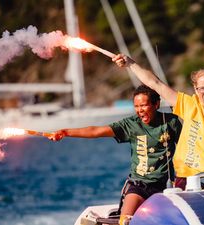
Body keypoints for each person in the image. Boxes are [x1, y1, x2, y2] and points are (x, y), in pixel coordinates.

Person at [112, 54, 204, 190]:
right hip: (185, 179)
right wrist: (130, 63)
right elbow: (155, 83)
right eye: (202, 88)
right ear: (196, 90)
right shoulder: (189, 105)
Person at [48, 85, 182, 225]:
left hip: (165, 187)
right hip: (139, 186)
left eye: (143, 105)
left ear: (156, 104)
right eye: (136, 106)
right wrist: (65, 132)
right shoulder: (131, 125)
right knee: (125, 221)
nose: (139, 110)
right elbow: (96, 131)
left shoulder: (170, 122)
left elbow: (188, 148)